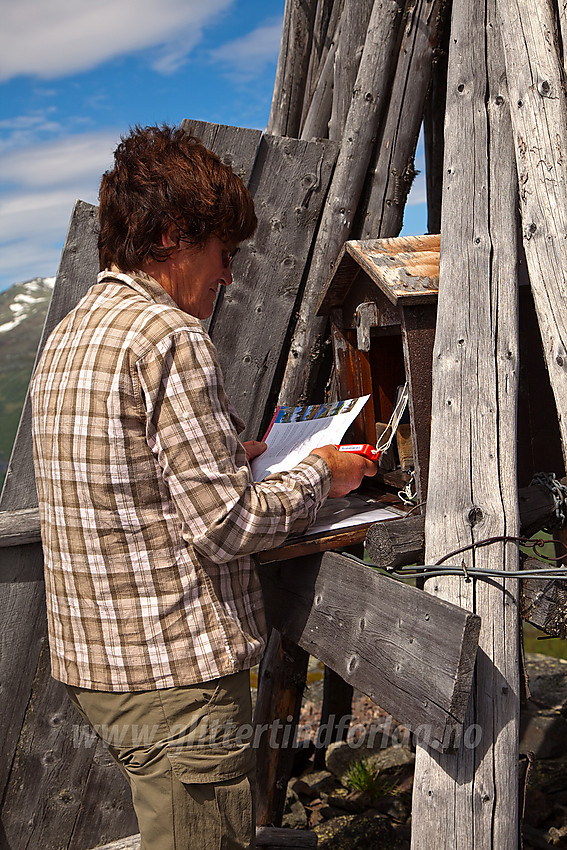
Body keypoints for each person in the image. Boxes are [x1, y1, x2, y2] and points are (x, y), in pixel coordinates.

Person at [30, 124, 376, 850]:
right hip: (173, 676)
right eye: (224, 252)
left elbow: (131, 475)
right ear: (171, 237)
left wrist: (231, 456)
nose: (227, 275)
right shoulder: (169, 337)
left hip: (105, 667)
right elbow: (230, 527)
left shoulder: (74, 332)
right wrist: (325, 470)